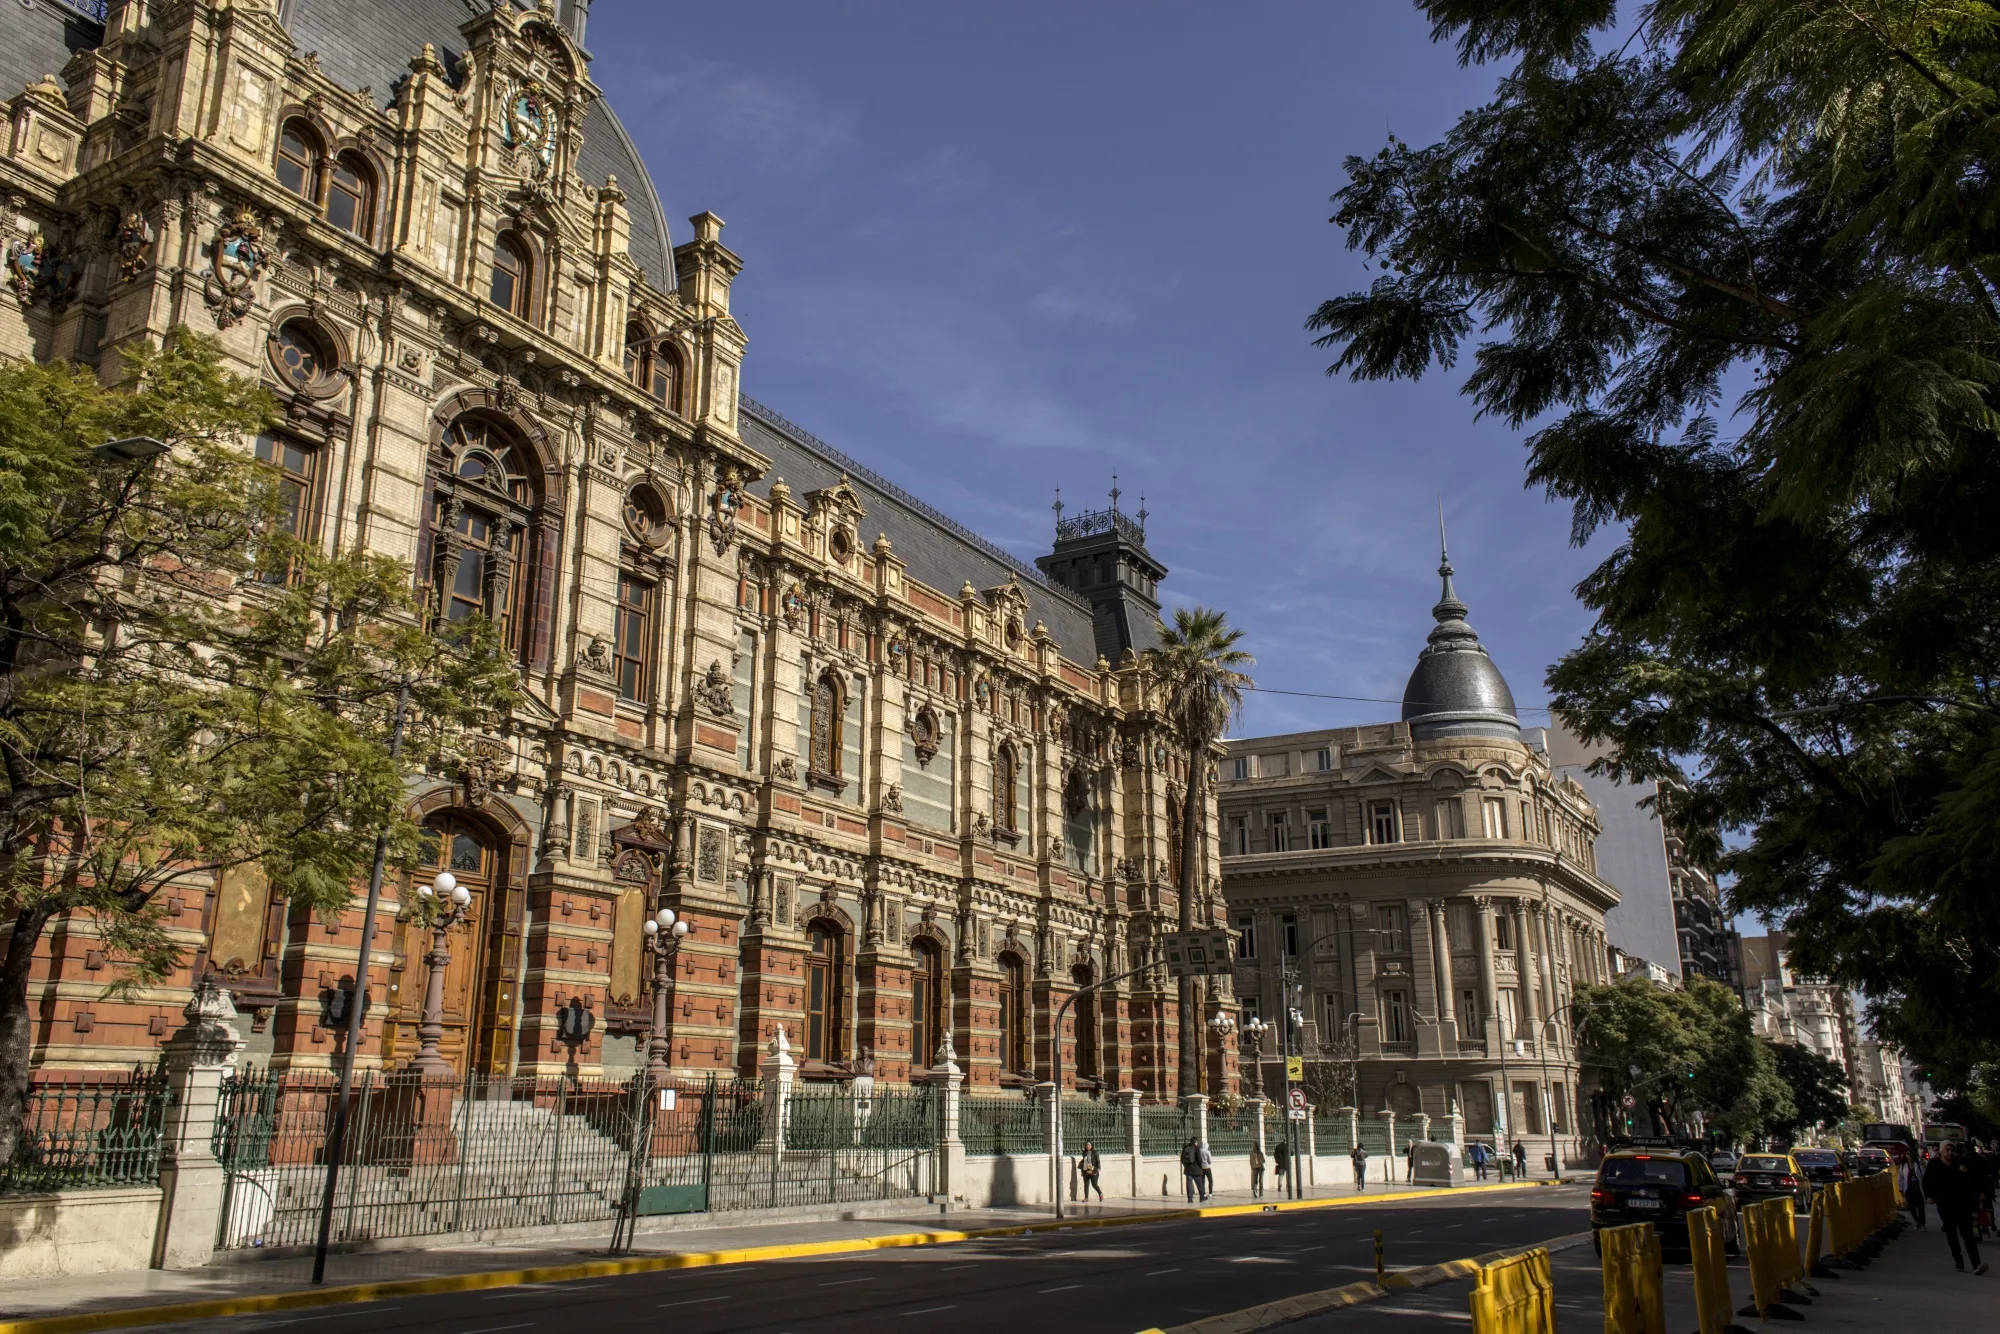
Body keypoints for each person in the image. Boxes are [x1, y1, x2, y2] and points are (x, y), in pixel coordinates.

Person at [1924, 1140, 1988, 1275]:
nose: (1950, 1153)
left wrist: (1977, 1193)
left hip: (1962, 1204)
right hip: (1945, 1204)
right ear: (1941, 1151)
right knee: (1951, 1234)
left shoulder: (1961, 1163)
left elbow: (1974, 1179)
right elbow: (1927, 1181)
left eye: (1952, 1150)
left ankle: (1976, 1262)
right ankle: (1958, 1260)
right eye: (1947, 1150)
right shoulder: (1934, 1165)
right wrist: (1929, 1195)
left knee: (1968, 1234)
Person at [1904, 1155, 1928, 1231]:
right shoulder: (1903, 1166)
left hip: (1918, 1191)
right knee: (1912, 1210)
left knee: (1921, 1209)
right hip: (1909, 1192)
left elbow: (1924, 1176)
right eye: (1907, 1154)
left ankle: (1922, 1224)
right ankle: (1919, 1222)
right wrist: (1901, 1189)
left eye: (1910, 1154)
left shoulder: (1918, 1166)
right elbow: (1901, 1178)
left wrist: (1923, 1165)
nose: (1909, 1156)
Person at [1179, 1138, 1202, 1203]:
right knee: (1199, 1184)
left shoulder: (1186, 1148)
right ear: (1195, 1142)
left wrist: (1185, 1166)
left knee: (1189, 1184)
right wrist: (1200, 1167)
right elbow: (1200, 1159)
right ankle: (1202, 1197)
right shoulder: (1196, 1148)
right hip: (1196, 1169)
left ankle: (1190, 1199)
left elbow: (1182, 1159)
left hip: (1188, 1169)